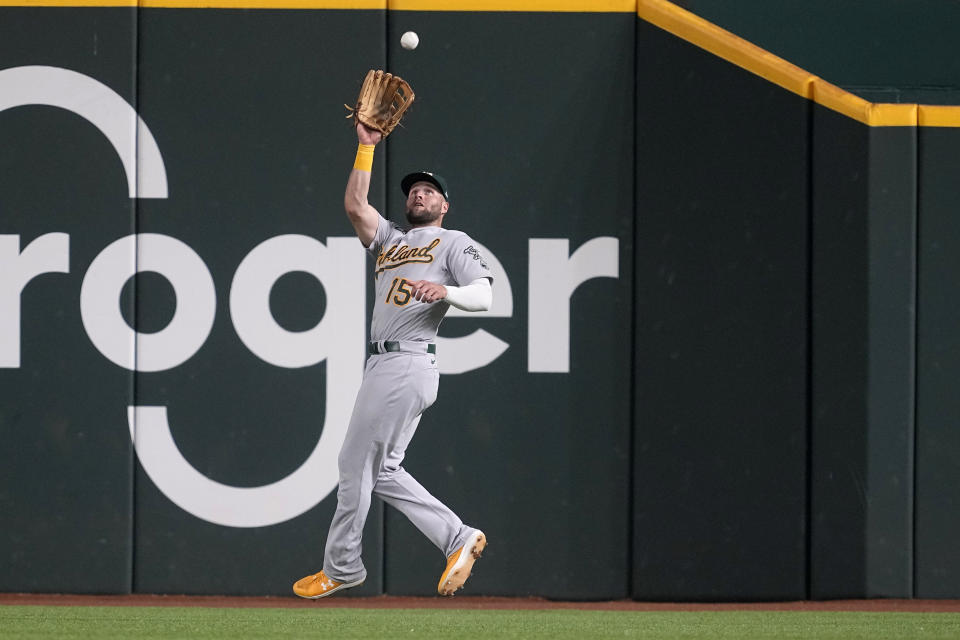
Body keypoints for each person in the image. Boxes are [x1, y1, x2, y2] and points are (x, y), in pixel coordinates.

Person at [293, 122, 493, 599]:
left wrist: (446, 290)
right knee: (381, 471)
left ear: (444, 206)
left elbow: (485, 296)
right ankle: (457, 537)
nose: (420, 195)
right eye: (415, 191)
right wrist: (365, 147)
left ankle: (341, 566)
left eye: (430, 191)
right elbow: (354, 207)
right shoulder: (390, 240)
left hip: (407, 361)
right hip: (386, 366)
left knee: (353, 464)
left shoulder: (451, 241)